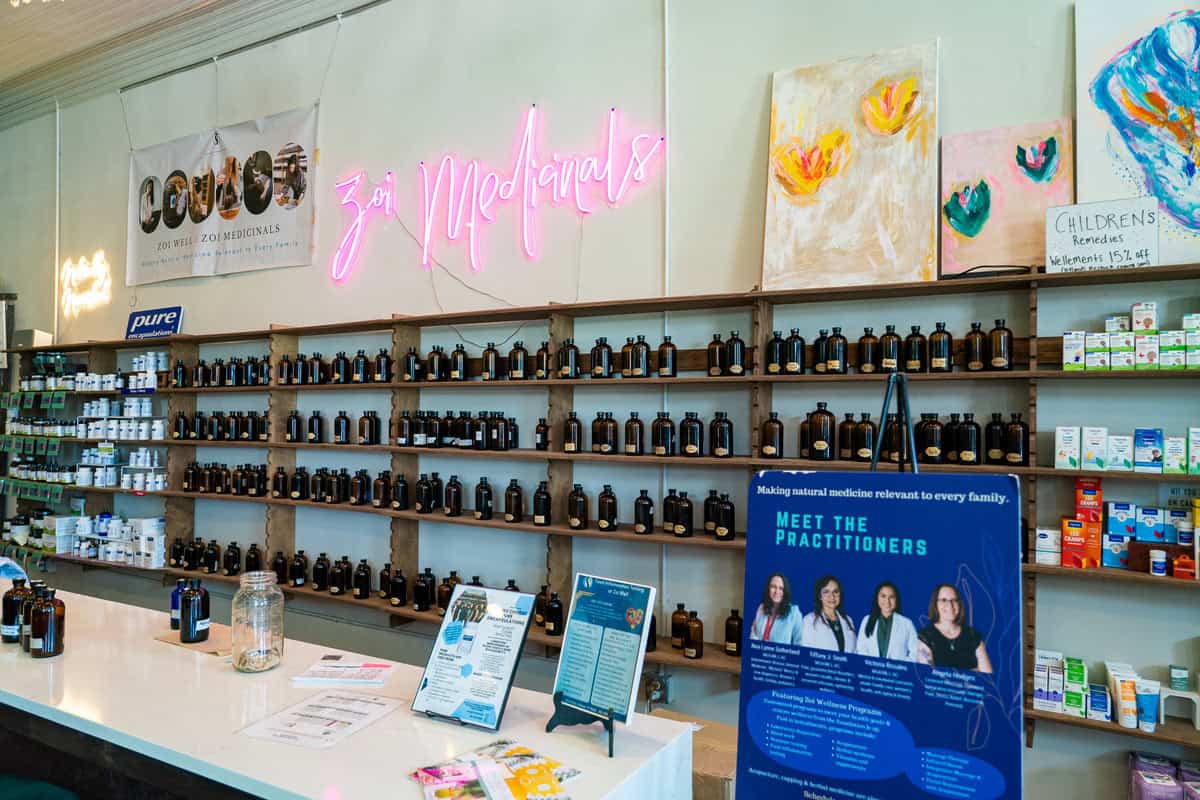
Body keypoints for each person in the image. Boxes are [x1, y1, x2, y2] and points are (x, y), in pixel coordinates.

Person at [916, 583, 993, 672]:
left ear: (959, 604)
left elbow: (987, 676)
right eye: (944, 600)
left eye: (954, 600)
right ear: (935, 604)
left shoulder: (973, 636)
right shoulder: (924, 637)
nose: (950, 605)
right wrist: (974, 671)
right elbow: (929, 677)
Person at [855, 582, 917, 661]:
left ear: (896, 599)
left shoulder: (907, 624)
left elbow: (916, 653)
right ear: (877, 598)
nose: (887, 601)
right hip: (871, 670)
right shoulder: (867, 620)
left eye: (891, 597)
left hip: (897, 671)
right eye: (883, 596)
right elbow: (861, 649)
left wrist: (902, 667)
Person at [800, 575, 856, 652]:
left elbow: (854, 652)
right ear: (820, 596)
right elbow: (805, 652)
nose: (832, 597)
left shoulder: (848, 620)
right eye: (826, 592)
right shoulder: (809, 620)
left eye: (835, 592)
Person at [749, 572, 803, 644]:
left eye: (781, 588)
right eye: (773, 587)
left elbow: (800, 642)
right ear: (768, 589)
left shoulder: (794, 612)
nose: (777, 591)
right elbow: (753, 634)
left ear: (785, 591)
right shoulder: (761, 607)